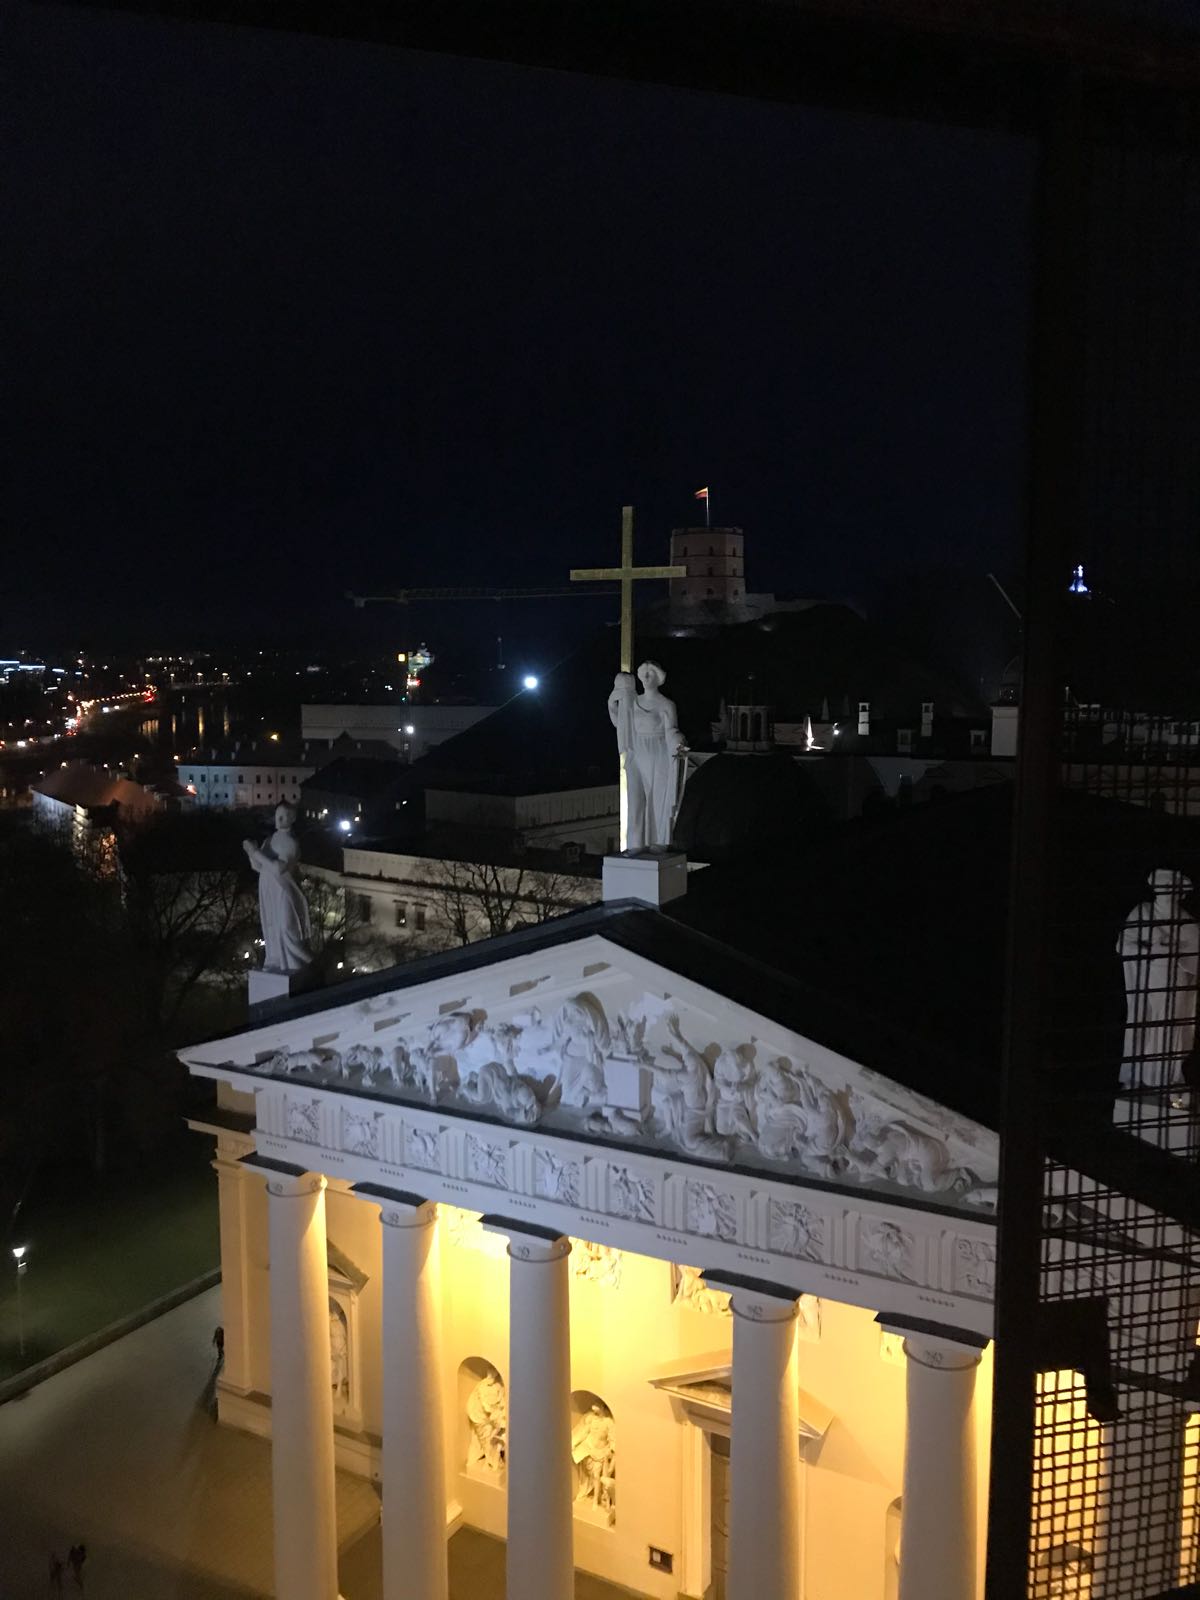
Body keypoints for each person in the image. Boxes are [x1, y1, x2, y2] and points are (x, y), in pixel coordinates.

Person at [243, 804, 312, 975]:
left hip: (283, 889)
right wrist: (251, 853)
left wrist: (256, 853)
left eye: (284, 816)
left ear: (292, 819)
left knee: (287, 926)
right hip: (268, 886)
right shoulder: (270, 840)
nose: (279, 819)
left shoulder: (290, 842)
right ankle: (276, 960)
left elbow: (279, 868)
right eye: (277, 815)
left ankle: (300, 962)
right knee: (271, 925)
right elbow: (259, 866)